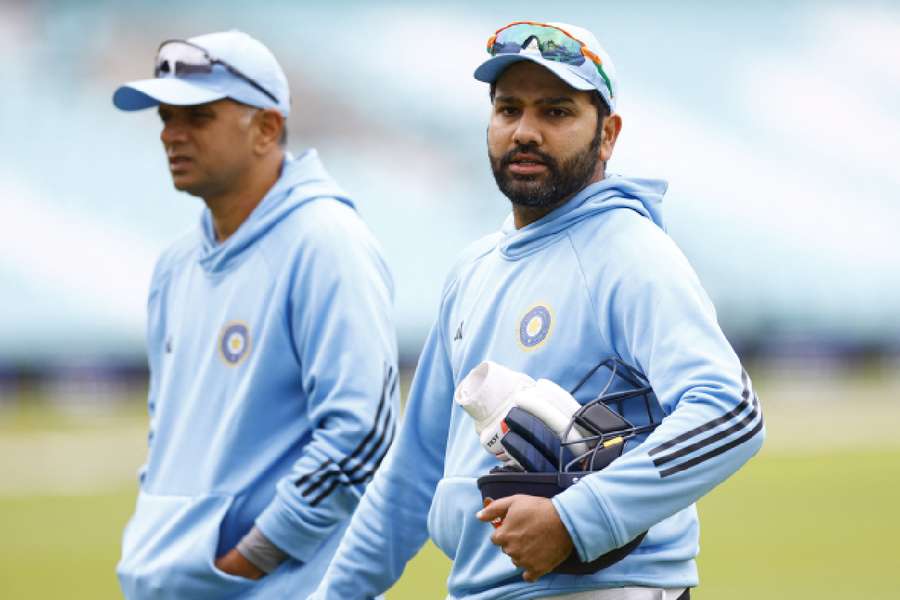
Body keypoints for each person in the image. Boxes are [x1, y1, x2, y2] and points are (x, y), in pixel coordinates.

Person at [309, 21, 764, 600]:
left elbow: (730, 412)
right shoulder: (473, 269)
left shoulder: (630, 251)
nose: (525, 131)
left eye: (555, 112)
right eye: (508, 110)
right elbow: (410, 476)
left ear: (607, 135)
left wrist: (576, 518)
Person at [111, 30, 398, 599]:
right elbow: (165, 435)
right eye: (167, 116)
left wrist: (251, 558)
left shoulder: (326, 242)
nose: (171, 134)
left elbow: (362, 433)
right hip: (169, 582)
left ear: (267, 128)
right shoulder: (175, 265)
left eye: (198, 116)